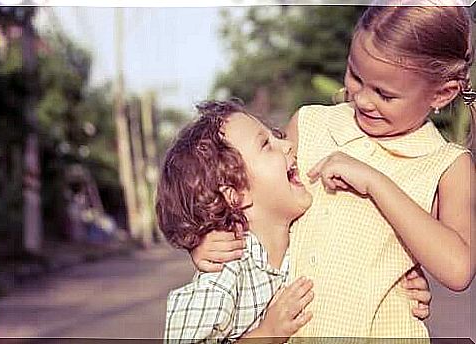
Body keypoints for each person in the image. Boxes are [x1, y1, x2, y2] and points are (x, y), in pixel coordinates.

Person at [191, 5, 475, 339]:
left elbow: (458, 269)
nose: (364, 100)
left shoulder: (447, 164)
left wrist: (375, 182)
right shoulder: (311, 124)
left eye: (385, 94)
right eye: (355, 76)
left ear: (441, 94)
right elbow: (254, 202)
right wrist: (209, 242)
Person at [158, 99, 314, 343]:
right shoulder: (224, 274)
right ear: (236, 195)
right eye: (266, 144)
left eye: (277, 136)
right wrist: (266, 335)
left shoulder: (306, 234)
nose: (288, 145)